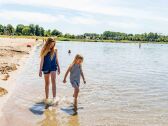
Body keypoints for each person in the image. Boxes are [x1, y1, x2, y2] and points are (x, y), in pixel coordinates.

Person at [39, 38, 60, 105]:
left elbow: (56, 59)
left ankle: (54, 98)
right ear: (48, 43)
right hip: (46, 68)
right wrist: (40, 70)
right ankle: (47, 98)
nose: (52, 45)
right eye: (51, 44)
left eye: (53, 44)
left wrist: (59, 67)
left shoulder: (55, 50)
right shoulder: (44, 50)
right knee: (47, 83)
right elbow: (42, 61)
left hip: (53, 67)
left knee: (53, 82)